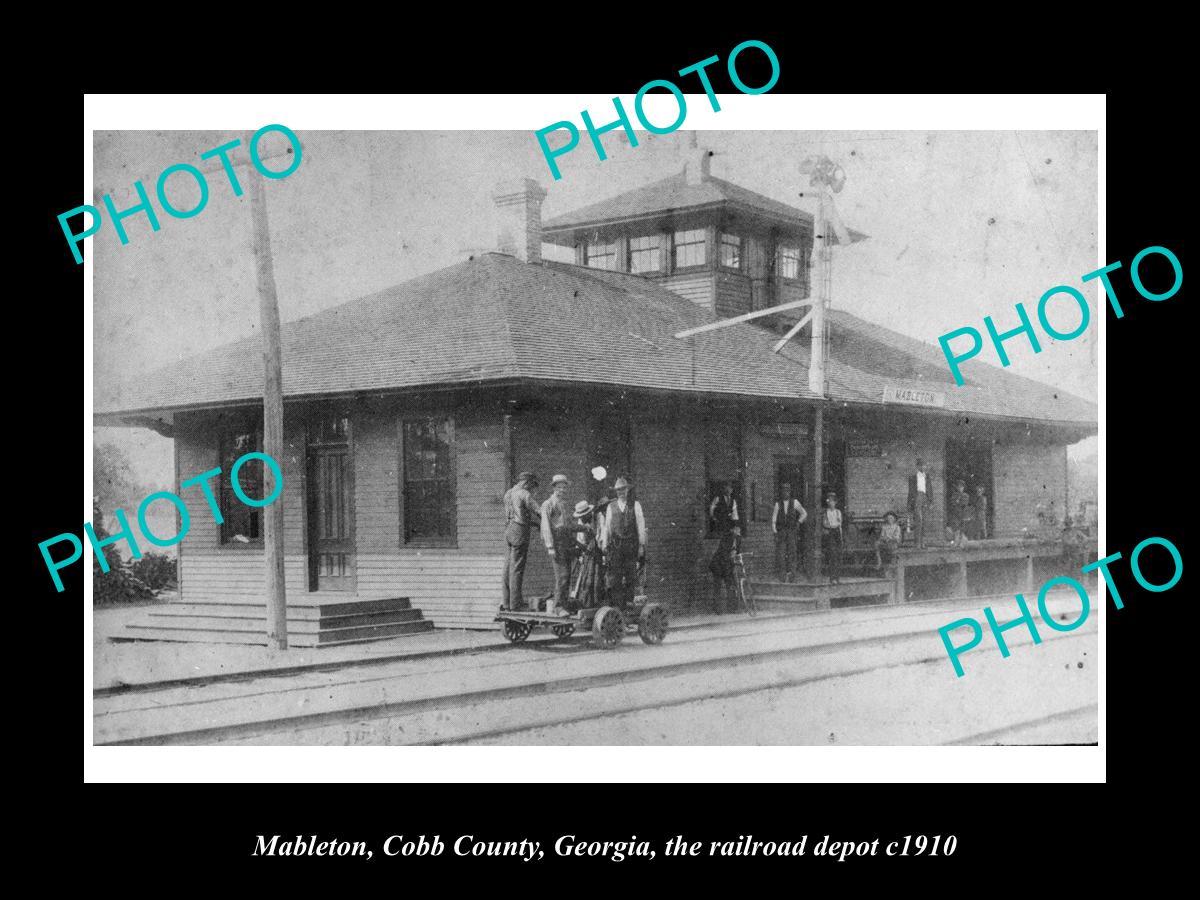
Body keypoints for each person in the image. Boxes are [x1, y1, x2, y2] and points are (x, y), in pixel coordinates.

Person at [540, 474, 585, 615]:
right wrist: (550, 546)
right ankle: (558, 607)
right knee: (562, 576)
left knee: (567, 576)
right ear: (554, 488)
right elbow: (546, 526)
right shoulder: (548, 504)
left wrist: (584, 528)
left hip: (567, 543)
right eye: (559, 487)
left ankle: (564, 605)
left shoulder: (564, 504)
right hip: (557, 543)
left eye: (564, 488)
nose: (562, 490)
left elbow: (569, 526)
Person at [601, 476, 646, 609]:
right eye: (618, 490)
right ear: (616, 492)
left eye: (623, 489)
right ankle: (618, 606)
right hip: (615, 547)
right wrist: (604, 544)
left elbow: (640, 525)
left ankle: (629, 604)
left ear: (627, 490)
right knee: (615, 577)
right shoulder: (611, 507)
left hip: (631, 546)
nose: (621, 492)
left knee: (631, 575)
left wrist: (641, 546)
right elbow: (607, 527)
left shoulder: (635, 505)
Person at [501, 471, 541, 611]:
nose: (532, 489)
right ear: (527, 483)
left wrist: (535, 524)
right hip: (520, 532)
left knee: (507, 567)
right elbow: (539, 511)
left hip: (509, 530)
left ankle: (507, 603)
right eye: (531, 485)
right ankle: (516, 604)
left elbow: (518, 514)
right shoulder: (524, 494)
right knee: (517, 568)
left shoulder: (508, 493)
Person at [568, 499, 605, 612]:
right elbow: (581, 538)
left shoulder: (598, 517)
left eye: (584, 515)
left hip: (597, 550)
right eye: (581, 516)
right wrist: (582, 552)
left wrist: (601, 550)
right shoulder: (581, 521)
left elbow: (601, 534)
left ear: (589, 513)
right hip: (587, 553)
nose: (582, 518)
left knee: (597, 577)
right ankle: (586, 604)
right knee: (586, 579)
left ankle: (597, 603)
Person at [708, 481, 740, 612]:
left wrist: (734, 526)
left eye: (731, 488)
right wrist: (716, 520)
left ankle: (730, 607)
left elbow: (735, 515)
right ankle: (719, 608)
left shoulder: (733, 502)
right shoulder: (718, 499)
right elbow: (711, 510)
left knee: (728, 580)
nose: (729, 489)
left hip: (723, 561)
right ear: (723, 488)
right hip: (720, 562)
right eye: (727, 487)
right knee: (721, 581)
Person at [772, 482, 807, 582]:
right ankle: (782, 576)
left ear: (790, 492)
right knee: (781, 554)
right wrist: (775, 532)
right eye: (783, 491)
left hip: (791, 531)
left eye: (787, 491)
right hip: (782, 532)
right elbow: (773, 520)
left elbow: (804, 513)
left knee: (792, 553)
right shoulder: (777, 504)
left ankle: (793, 576)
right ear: (781, 492)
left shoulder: (795, 502)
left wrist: (798, 522)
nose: (785, 493)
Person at [907, 458, 933, 549]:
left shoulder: (927, 476)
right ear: (917, 466)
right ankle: (917, 543)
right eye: (920, 465)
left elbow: (930, 489)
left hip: (925, 498)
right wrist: (909, 503)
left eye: (924, 465)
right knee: (919, 521)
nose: (922, 467)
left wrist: (930, 501)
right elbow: (910, 491)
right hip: (917, 497)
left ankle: (923, 543)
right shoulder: (913, 477)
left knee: (924, 521)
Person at [821, 492, 844, 584]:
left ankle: (837, 578)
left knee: (838, 555)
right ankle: (832, 578)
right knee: (832, 555)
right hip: (830, 533)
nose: (831, 503)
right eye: (829, 501)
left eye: (833, 501)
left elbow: (839, 523)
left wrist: (840, 536)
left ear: (835, 502)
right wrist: (831, 526)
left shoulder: (838, 512)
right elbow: (825, 523)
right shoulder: (826, 513)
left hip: (837, 533)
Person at [875, 510, 902, 575]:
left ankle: (887, 568)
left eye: (891, 518)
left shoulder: (896, 527)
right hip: (885, 542)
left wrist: (890, 538)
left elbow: (897, 537)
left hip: (893, 543)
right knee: (877, 544)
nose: (889, 519)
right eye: (888, 518)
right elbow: (882, 536)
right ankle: (879, 561)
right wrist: (884, 538)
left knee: (890, 550)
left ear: (894, 519)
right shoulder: (884, 527)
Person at [948, 479, 970, 546]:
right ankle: (956, 542)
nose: (960, 488)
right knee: (956, 529)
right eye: (959, 486)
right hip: (955, 514)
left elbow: (964, 503)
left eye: (962, 487)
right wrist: (957, 502)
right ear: (957, 487)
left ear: (963, 488)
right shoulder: (954, 495)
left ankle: (961, 543)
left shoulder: (965, 495)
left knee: (962, 529)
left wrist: (958, 501)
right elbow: (952, 503)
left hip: (963, 514)